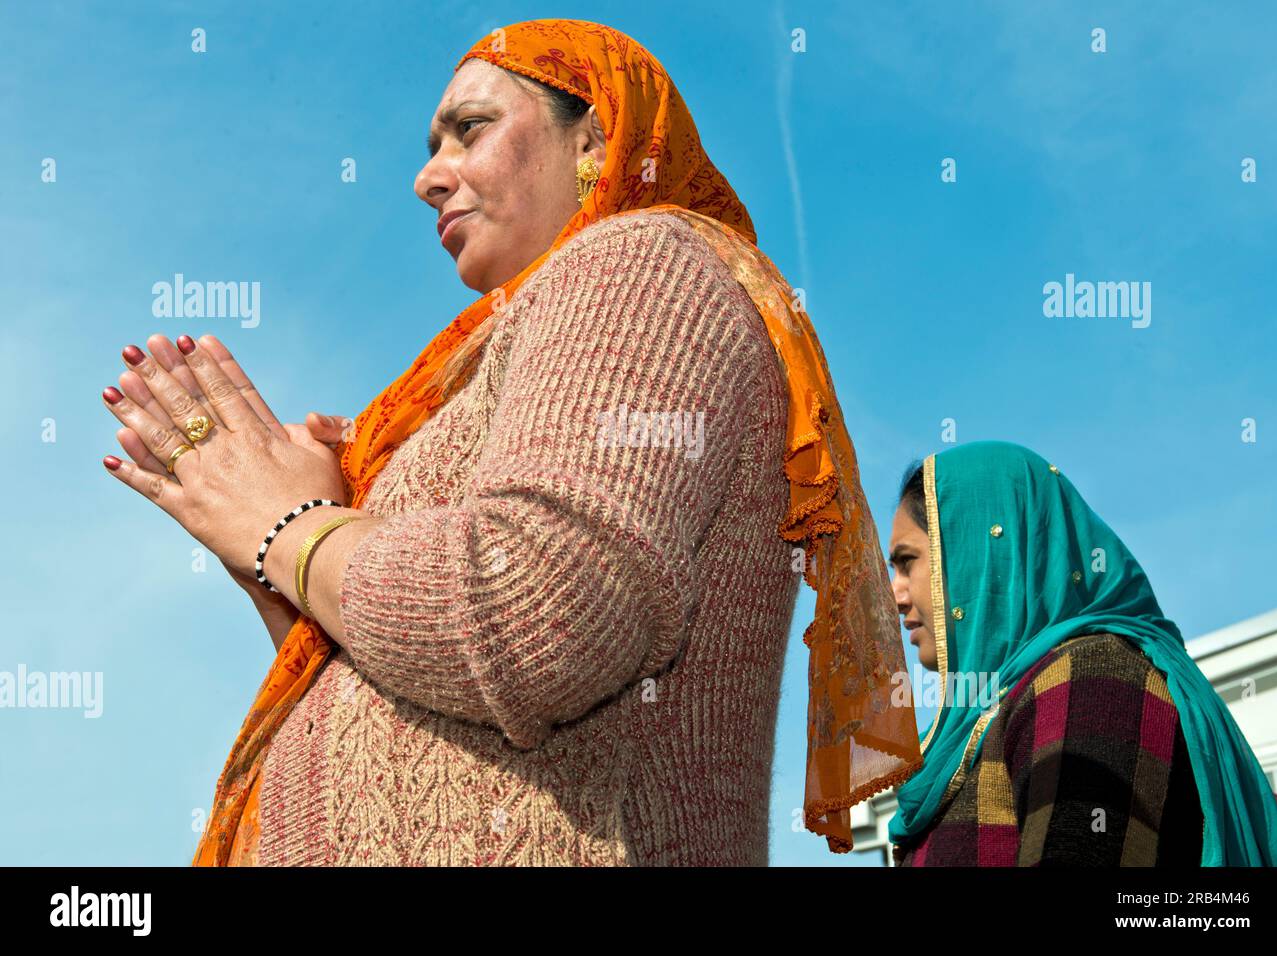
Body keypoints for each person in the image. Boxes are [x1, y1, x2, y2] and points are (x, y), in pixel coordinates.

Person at [100, 18, 921, 865]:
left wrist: (291, 524)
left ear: (596, 138)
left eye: (470, 128)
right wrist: (277, 562)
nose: (427, 177)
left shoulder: (642, 262)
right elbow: (418, 705)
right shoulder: (476, 374)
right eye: (430, 145)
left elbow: (540, 615)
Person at [885, 440, 1277, 866]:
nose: (894, 595)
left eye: (907, 561)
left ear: (979, 552)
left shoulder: (1094, 676)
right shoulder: (976, 730)